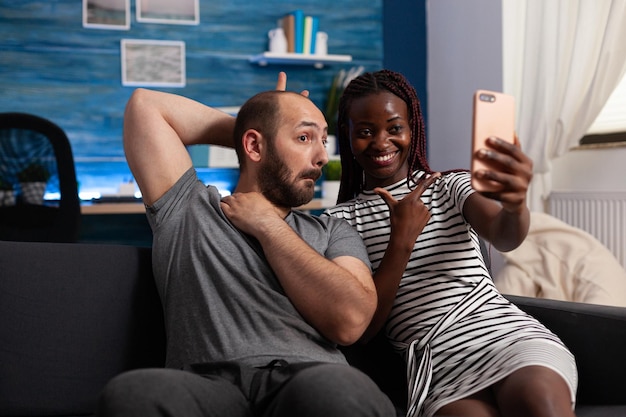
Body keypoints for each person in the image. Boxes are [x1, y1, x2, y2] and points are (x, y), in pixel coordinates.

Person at [96, 74, 395, 417]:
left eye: (323, 141)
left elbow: (351, 319)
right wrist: (258, 125)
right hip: (208, 386)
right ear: (253, 146)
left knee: (341, 390)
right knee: (133, 393)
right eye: (303, 137)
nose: (321, 158)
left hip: (307, 380)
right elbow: (145, 106)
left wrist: (267, 225)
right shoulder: (190, 209)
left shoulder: (332, 232)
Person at [323, 69, 578, 417]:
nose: (382, 142)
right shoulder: (337, 222)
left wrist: (516, 204)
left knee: (538, 404)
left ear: (412, 130)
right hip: (438, 367)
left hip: (508, 339)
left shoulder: (450, 186)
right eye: (366, 132)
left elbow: (505, 236)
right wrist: (401, 242)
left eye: (394, 128)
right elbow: (363, 328)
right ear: (347, 136)